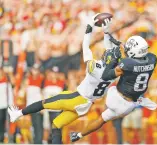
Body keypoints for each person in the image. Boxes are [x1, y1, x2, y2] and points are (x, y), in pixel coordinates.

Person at [7, 14, 115, 144]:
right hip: (87, 105)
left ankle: (18, 114)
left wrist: (90, 27)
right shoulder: (113, 74)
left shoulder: (95, 67)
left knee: (44, 103)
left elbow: (85, 46)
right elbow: (111, 53)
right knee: (56, 124)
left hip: (77, 98)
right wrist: (107, 30)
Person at [70, 34, 157, 142]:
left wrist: (112, 62)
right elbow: (136, 57)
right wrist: (121, 44)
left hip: (117, 100)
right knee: (103, 119)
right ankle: (78, 135)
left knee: (103, 112)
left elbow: (106, 75)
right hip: (131, 103)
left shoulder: (127, 64)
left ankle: (78, 135)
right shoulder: (152, 59)